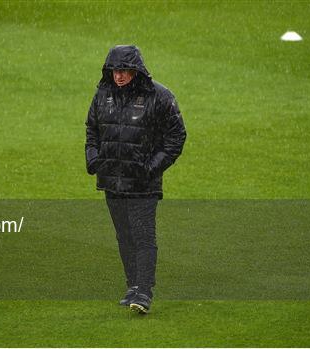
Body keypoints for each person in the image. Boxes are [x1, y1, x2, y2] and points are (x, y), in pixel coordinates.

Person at [85, 45, 187, 314]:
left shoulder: (160, 97)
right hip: (112, 181)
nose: (118, 76)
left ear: (136, 71)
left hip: (143, 184)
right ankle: (132, 285)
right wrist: (93, 158)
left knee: (143, 236)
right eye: (115, 70)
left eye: (124, 71)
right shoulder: (103, 94)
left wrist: (152, 168)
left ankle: (143, 292)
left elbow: (177, 137)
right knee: (124, 236)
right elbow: (92, 129)